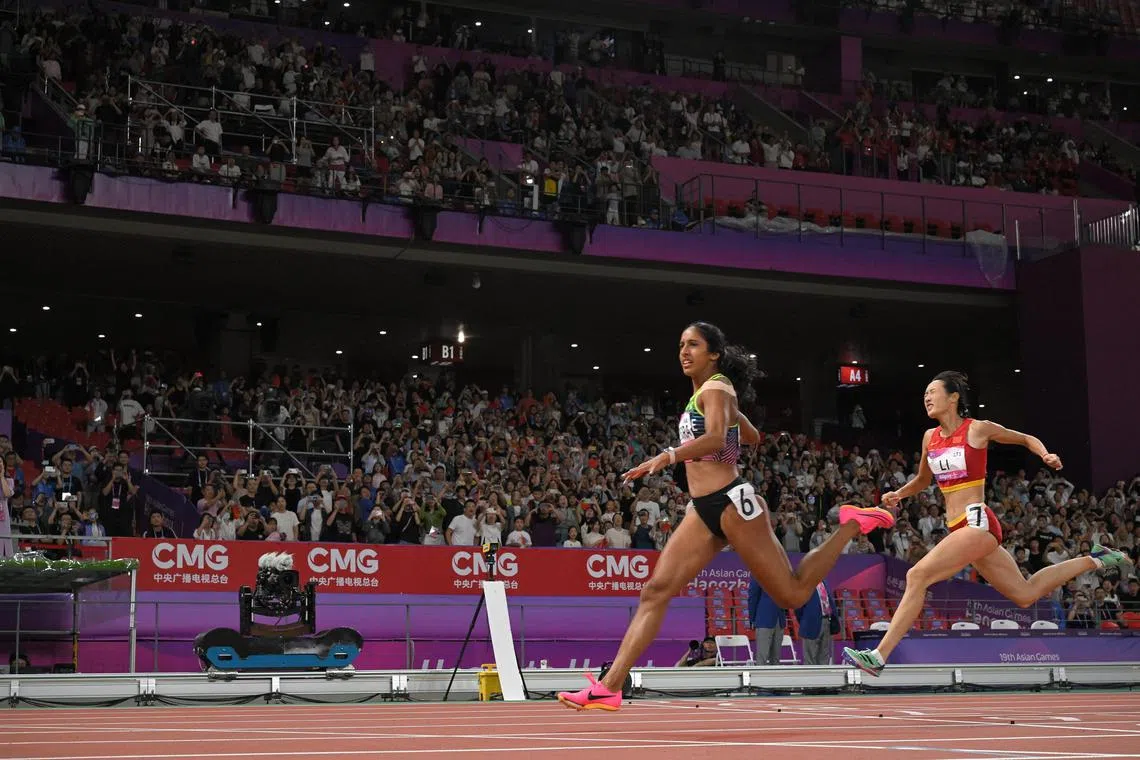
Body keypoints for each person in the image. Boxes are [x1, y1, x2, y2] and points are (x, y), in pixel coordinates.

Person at [556, 322, 895, 711]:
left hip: (733, 504)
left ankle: (851, 523)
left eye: (694, 345)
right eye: (681, 345)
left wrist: (668, 456)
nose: (684, 352)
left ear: (713, 354)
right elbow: (750, 437)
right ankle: (609, 687)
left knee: (792, 593)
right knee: (655, 590)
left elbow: (717, 438)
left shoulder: (716, 386)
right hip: (703, 508)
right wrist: (730, 417)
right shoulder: (708, 392)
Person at [844, 371, 1132, 676]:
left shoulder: (977, 430)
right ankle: (1096, 559)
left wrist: (1045, 454)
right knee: (1025, 593)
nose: (927, 397)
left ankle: (878, 655)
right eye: (924, 394)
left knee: (917, 576)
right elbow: (922, 480)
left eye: (932, 391)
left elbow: (1023, 438)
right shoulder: (930, 437)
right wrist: (899, 494)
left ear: (953, 397)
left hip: (977, 522)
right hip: (959, 528)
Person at [746, 582, 786, 665]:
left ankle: (774, 677)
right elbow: (753, 596)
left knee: (776, 658)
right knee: (762, 657)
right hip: (764, 619)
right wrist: (753, 618)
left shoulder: (784, 571)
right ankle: (759, 677)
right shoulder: (759, 571)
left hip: (780, 618)